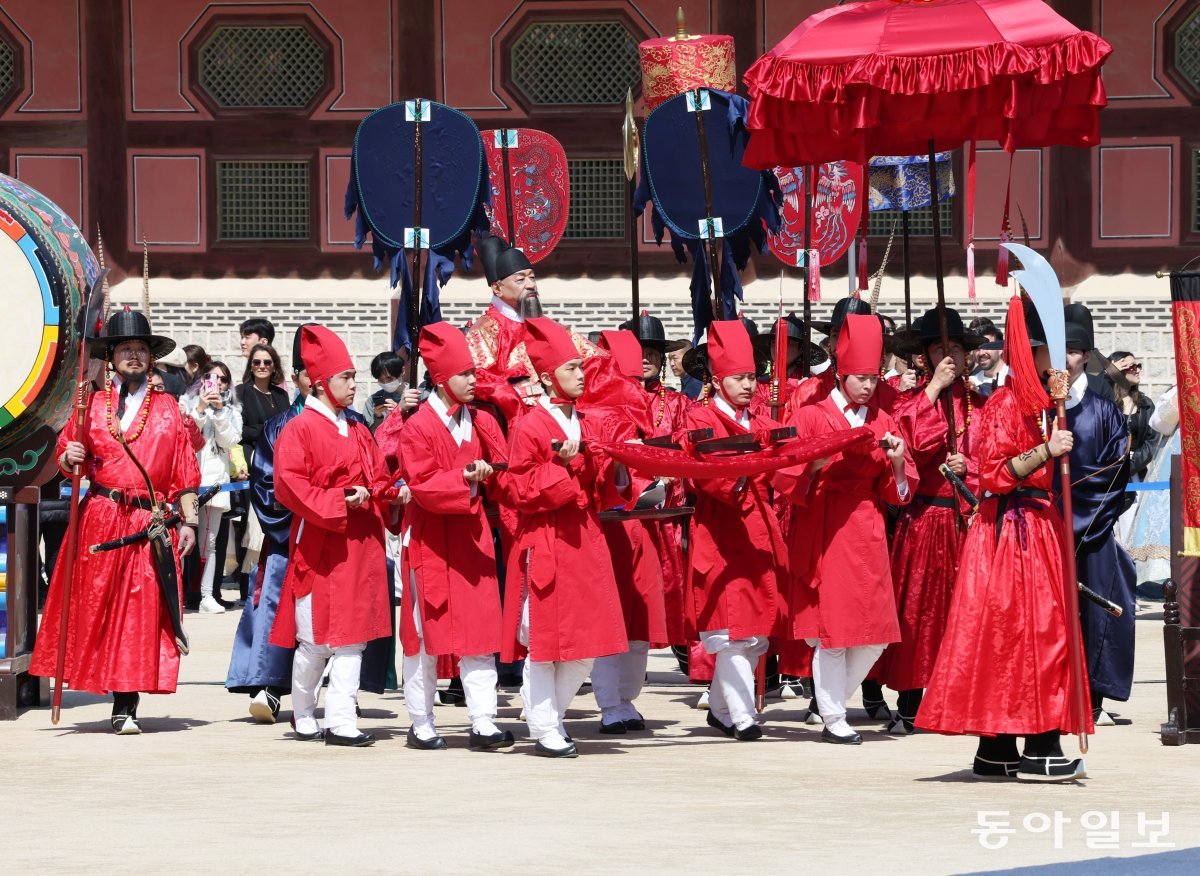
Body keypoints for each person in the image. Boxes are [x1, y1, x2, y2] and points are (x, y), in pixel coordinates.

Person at [918, 294, 1091, 782]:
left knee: (1013, 635)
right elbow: (993, 474)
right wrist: (1046, 450)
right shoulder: (1005, 402)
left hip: (1033, 529)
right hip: (1012, 531)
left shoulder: (1037, 402)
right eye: (1046, 352)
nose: (1055, 363)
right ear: (1028, 352)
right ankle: (1040, 746)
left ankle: (997, 750)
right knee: (1034, 634)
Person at [31, 307, 200, 734]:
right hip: (99, 519)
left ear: (151, 356)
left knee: (139, 611)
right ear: (112, 358)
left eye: (140, 349)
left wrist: (189, 523)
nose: (133, 357)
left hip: (147, 523)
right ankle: (98, 680)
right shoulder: (92, 403)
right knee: (94, 607)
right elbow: (71, 452)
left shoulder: (169, 409)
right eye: (125, 349)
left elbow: (184, 469)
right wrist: (69, 456)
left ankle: (126, 703)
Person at [774, 315, 915, 744]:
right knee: (833, 632)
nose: (869, 386)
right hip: (827, 522)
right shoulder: (813, 414)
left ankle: (831, 699)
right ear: (840, 373)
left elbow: (901, 492)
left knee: (875, 633)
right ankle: (835, 716)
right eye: (860, 378)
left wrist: (895, 459)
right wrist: (813, 466)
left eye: (873, 378)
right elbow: (785, 474)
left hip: (867, 525)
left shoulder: (885, 420)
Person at [268, 325, 407, 747]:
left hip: (361, 544)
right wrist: (340, 498)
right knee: (315, 640)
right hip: (322, 542)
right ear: (322, 382)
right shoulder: (300, 428)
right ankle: (305, 711)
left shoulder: (359, 427)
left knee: (354, 637)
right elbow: (289, 485)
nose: (353, 385)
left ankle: (342, 718)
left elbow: (379, 478)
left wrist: (392, 494)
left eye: (352, 377)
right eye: (345, 378)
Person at [499, 316, 630, 758]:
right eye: (571, 367)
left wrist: (601, 462)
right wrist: (564, 467)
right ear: (547, 374)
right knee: (545, 641)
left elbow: (601, 487)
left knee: (586, 642)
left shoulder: (586, 422)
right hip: (548, 538)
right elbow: (519, 488)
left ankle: (549, 716)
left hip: (586, 539)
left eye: (580, 366)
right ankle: (545, 725)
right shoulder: (530, 424)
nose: (580, 374)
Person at [396, 323, 515, 752]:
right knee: (425, 634)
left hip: (472, 535)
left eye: (473, 373)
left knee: (481, 630)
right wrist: (466, 478)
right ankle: (421, 720)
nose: (473, 381)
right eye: (465, 375)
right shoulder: (417, 425)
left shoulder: (482, 420)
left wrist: (492, 479)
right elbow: (422, 483)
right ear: (442, 379)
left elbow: (505, 471)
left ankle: (483, 720)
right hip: (430, 539)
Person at [683, 320, 788, 741]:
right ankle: (743, 716)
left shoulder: (761, 420)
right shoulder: (699, 416)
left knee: (754, 627)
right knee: (731, 628)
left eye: (752, 378)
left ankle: (723, 708)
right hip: (721, 529)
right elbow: (703, 475)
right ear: (717, 379)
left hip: (758, 527)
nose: (748, 386)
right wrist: (748, 469)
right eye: (739, 378)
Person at [880, 308, 984, 734]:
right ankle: (909, 703)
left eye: (956, 348)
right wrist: (936, 387)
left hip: (968, 517)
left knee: (967, 612)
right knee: (919, 613)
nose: (949, 356)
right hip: (925, 518)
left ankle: (963, 702)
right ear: (924, 357)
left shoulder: (982, 404)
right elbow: (913, 445)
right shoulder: (910, 402)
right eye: (941, 348)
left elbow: (997, 457)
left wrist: (971, 465)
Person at [227, 328, 311, 723]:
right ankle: (270, 687)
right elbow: (265, 484)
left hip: (333, 539)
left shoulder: (352, 425)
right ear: (296, 378)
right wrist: (296, 522)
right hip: (288, 538)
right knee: (276, 607)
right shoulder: (279, 425)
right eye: (311, 373)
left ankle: (338, 691)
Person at [1057, 306, 1136, 727]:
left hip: (1093, 529)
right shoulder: (1040, 406)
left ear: (1086, 356)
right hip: (1043, 526)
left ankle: (1095, 698)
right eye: (1059, 351)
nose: (1065, 360)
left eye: (1072, 351)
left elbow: (1114, 474)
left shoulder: (1103, 409)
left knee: (1103, 607)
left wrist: (1076, 521)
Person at [591, 328, 669, 734]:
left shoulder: (646, 414)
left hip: (644, 528)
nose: (639, 387)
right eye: (630, 379)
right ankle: (609, 704)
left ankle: (627, 699)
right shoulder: (597, 418)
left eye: (641, 380)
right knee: (611, 619)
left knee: (640, 619)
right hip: (609, 531)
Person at [464, 235, 595, 420]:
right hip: (517, 416)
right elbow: (477, 377)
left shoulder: (551, 327)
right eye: (520, 280)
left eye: (532, 278)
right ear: (497, 288)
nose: (531, 285)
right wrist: (517, 397)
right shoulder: (484, 330)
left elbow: (593, 360)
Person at [183, 360, 243, 614]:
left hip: (215, 483)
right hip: (187, 482)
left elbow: (229, 441)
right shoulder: (185, 403)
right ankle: (179, 593)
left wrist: (219, 412)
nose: (215, 383)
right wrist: (201, 407)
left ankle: (207, 595)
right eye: (210, 376)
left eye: (222, 379)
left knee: (209, 542)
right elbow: (185, 435)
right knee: (181, 539)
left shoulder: (232, 411)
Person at [363, 349, 421, 432]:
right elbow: (368, 437)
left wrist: (399, 412)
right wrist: (378, 417)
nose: (385, 383)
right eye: (381, 380)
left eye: (389, 378)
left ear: (402, 371)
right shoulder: (373, 400)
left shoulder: (417, 396)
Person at [969, 327, 1008, 399]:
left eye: (987, 346)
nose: (981, 353)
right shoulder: (972, 382)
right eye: (977, 348)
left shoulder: (1014, 377)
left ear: (1000, 349)